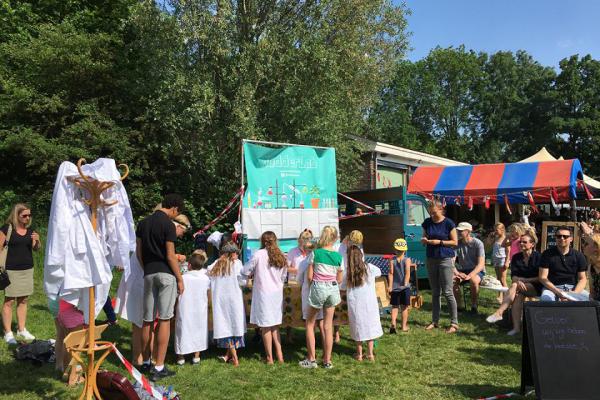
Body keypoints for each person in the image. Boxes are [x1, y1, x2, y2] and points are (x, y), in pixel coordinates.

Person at [137, 193, 185, 381]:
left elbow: (139, 254)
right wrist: (180, 279)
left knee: (147, 320)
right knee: (164, 319)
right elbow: (171, 256)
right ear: (174, 208)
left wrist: (146, 269)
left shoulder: (142, 223)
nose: (176, 215)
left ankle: (146, 361)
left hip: (148, 272)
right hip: (166, 274)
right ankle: (159, 366)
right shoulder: (168, 225)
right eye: (177, 212)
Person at [299, 226, 343, 369]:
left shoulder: (315, 253)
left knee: (310, 324)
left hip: (318, 287)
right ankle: (327, 361)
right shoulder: (338, 256)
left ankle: (311, 360)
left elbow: (310, 276)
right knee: (328, 326)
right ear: (335, 238)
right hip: (332, 289)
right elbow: (340, 279)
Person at [243, 231, 288, 364]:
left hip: (264, 293)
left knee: (266, 327)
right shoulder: (281, 255)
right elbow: (283, 276)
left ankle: (269, 358)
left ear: (262, 241)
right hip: (276, 293)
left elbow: (245, 270)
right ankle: (280, 356)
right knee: (274, 326)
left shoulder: (259, 254)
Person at [486, 233, 542, 335]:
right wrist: (518, 281)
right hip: (520, 287)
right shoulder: (516, 257)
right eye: (520, 242)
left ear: (532, 244)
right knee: (518, 295)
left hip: (537, 286)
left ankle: (500, 312)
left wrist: (524, 280)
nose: (521, 244)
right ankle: (516, 328)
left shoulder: (539, 257)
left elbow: (541, 278)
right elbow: (514, 276)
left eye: (524, 242)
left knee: (515, 286)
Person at [1, 203, 41, 344]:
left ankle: (22, 329)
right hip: (11, 270)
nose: (27, 217)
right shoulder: (7, 229)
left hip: (27, 269)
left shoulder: (31, 230)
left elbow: (36, 249)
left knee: (23, 300)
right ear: (16, 215)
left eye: (29, 215)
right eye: (24, 215)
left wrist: (36, 241)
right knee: (9, 301)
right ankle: (8, 332)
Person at [421, 200, 459, 334]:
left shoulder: (448, 223)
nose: (432, 215)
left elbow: (455, 242)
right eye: (430, 212)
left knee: (448, 291)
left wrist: (440, 242)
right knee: (435, 292)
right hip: (431, 258)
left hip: (445, 259)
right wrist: (425, 241)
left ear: (441, 209)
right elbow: (424, 237)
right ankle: (434, 321)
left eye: (434, 212)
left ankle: (454, 323)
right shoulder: (427, 222)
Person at [208, 242, 246, 367]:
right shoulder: (237, 264)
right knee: (232, 327)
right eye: (235, 253)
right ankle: (235, 359)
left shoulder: (216, 264)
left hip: (221, 300)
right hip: (234, 299)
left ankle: (227, 356)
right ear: (231, 253)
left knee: (227, 326)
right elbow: (243, 281)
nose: (237, 255)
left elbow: (208, 274)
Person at [346, 236, 383, 361]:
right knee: (369, 326)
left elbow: (341, 285)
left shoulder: (348, 272)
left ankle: (359, 354)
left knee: (358, 326)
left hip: (355, 303)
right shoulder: (369, 268)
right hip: (369, 303)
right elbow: (379, 272)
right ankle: (370, 354)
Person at [175, 251, 209, 365]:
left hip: (185, 307)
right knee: (199, 329)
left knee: (182, 329)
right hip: (200, 308)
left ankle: (181, 356)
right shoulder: (205, 278)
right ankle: (196, 356)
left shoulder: (183, 278)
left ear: (189, 265)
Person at [538, 227, 589, 301]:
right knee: (546, 299)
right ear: (555, 238)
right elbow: (542, 277)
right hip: (552, 288)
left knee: (589, 300)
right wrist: (557, 291)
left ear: (571, 239)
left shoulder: (579, 256)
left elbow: (582, 278)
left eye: (565, 236)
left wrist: (574, 294)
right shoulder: (547, 254)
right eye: (559, 236)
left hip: (573, 288)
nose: (562, 238)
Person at [286, 228, 315, 343]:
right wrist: (300, 270)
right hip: (294, 283)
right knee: (291, 307)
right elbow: (286, 268)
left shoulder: (313, 251)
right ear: (299, 241)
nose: (305, 247)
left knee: (310, 309)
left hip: (308, 284)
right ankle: (289, 334)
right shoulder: (293, 251)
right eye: (303, 244)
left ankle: (311, 333)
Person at [453, 222, 486, 313]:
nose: (458, 233)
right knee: (452, 280)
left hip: (477, 270)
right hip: (462, 270)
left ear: (468, 232)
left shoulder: (478, 243)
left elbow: (481, 264)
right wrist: (458, 273)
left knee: (474, 280)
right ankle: (459, 306)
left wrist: (470, 275)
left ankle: (474, 306)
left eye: (461, 231)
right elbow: (451, 262)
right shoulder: (457, 244)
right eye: (458, 231)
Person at [388, 238, 412, 333]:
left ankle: (393, 323)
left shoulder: (391, 260)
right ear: (405, 250)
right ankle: (403, 326)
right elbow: (407, 272)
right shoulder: (407, 260)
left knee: (395, 306)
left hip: (394, 288)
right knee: (404, 307)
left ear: (395, 249)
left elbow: (390, 273)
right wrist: (405, 283)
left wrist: (390, 286)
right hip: (404, 288)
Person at [580, 222, 600, 301]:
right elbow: (592, 293)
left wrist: (590, 232)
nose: (583, 245)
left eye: (586, 244)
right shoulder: (591, 267)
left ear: (596, 248)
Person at [488, 222, 507, 303]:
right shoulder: (496, 238)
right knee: (498, 279)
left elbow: (508, 251)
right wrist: (489, 236)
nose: (495, 231)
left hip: (502, 259)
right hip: (496, 259)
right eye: (494, 230)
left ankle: (506, 297)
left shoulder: (506, 238)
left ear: (502, 230)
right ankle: (500, 295)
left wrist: (507, 261)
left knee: (503, 279)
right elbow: (489, 244)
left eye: (497, 230)